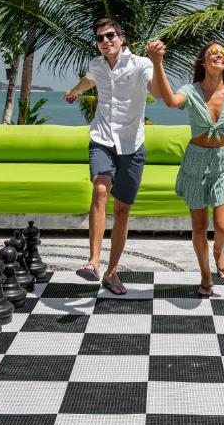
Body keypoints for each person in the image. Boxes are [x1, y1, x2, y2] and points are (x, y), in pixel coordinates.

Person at [148, 40, 224, 296]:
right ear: (203, 61)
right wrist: (158, 62)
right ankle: (205, 275)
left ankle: (218, 250)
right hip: (196, 162)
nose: (219, 54)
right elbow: (170, 101)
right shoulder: (190, 91)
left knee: (223, 227)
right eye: (213, 52)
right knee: (199, 227)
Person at [63, 19, 159, 295]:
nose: (105, 41)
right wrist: (74, 91)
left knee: (122, 211)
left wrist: (157, 61)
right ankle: (93, 262)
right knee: (101, 189)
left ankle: (111, 272)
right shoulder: (97, 65)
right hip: (102, 140)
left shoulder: (140, 64)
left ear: (121, 38)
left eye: (110, 35)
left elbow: (156, 91)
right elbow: (89, 80)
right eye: (100, 38)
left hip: (132, 146)